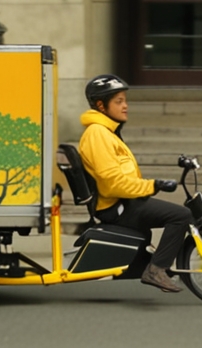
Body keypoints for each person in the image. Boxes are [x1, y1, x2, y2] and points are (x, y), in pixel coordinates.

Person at [78, 74, 193, 293]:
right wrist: (152, 185)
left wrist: (148, 187)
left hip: (121, 202)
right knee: (181, 216)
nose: (125, 106)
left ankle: (146, 264)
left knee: (162, 216)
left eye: (125, 100)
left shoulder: (107, 132)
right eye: (118, 101)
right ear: (101, 105)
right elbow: (112, 183)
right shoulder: (98, 134)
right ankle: (156, 270)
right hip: (115, 206)